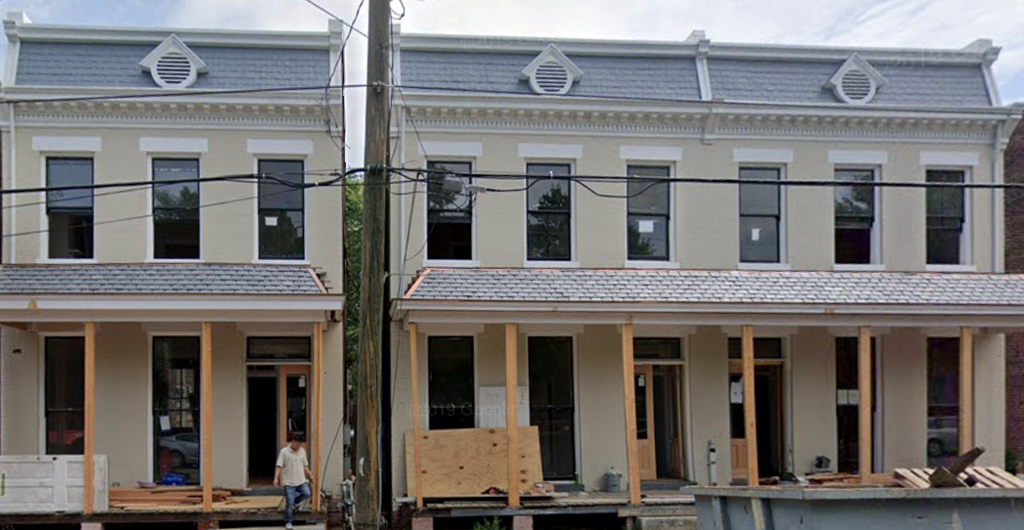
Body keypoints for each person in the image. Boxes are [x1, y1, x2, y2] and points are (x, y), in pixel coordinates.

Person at [274, 434, 313, 530]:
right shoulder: (284, 452)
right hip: (288, 482)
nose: (298, 446)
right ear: (293, 441)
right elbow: (279, 466)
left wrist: (310, 475)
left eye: (300, 444)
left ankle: (295, 502)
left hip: (301, 480)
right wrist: (276, 478)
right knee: (289, 503)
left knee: (307, 493)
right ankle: (288, 522)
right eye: (297, 444)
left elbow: (305, 466)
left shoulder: (302, 451)